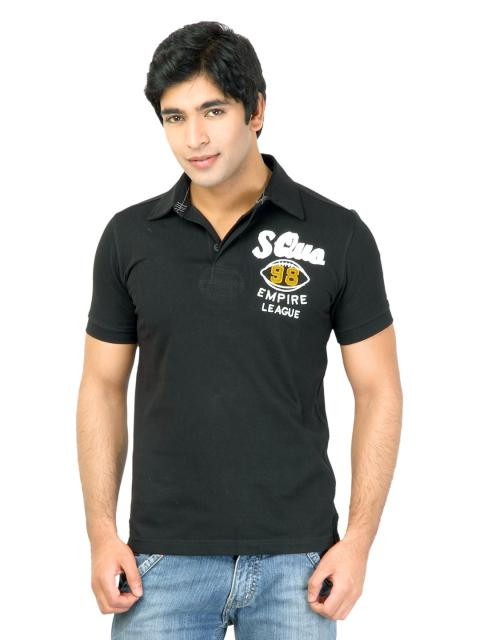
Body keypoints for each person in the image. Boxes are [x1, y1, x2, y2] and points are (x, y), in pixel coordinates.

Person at [76, 20, 403, 639]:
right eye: (174, 118)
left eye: (213, 111)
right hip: (160, 564)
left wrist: (358, 542)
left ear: (256, 111)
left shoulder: (338, 235)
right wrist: (100, 533)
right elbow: (101, 385)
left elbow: (379, 389)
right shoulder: (128, 238)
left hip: (299, 565)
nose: (194, 138)